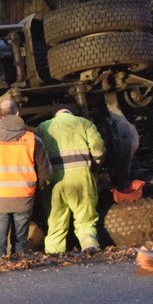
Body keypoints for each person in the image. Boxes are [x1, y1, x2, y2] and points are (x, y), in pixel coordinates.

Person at [0, 99, 52, 255]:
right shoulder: (33, 140)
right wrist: (33, 192)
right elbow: (45, 173)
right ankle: (19, 271)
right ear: (17, 114)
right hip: (24, 199)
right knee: (20, 243)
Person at [35, 108, 105, 253]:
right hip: (81, 178)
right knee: (85, 221)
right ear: (70, 114)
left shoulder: (43, 127)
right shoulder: (85, 123)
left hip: (54, 182)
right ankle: (90, 246)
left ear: (56, 115)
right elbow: (98, 150)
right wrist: (95, 168)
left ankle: (54, 254)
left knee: (55, 223)